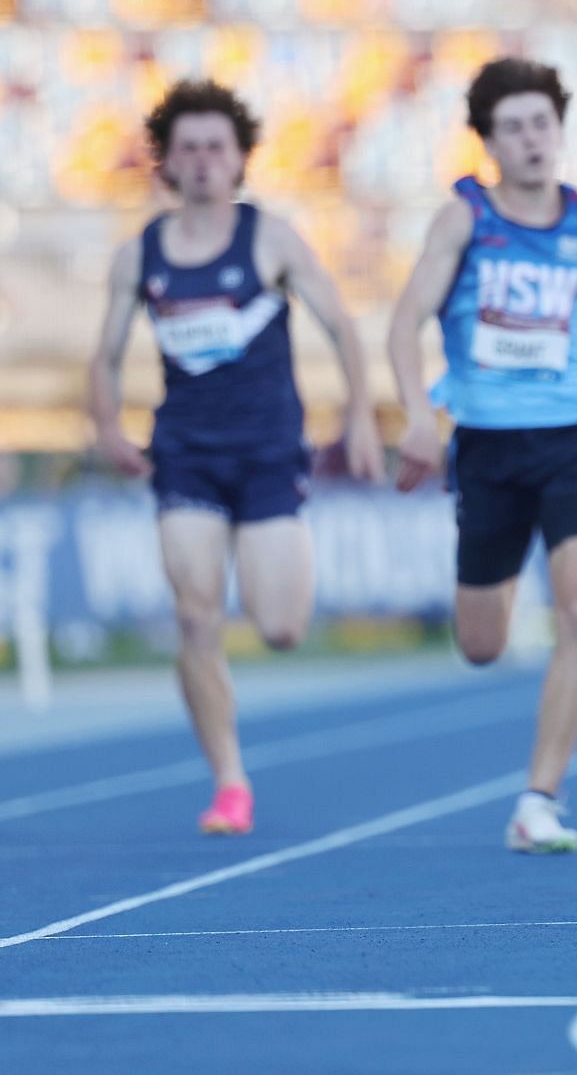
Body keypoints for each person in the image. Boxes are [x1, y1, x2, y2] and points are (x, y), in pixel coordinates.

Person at [89, 79, 382, 835]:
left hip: (266, 452)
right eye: (187, 148)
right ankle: (229, 783)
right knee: (195, 619)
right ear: (166, 163)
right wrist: (109, 427)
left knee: (281, 625)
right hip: (184, 454)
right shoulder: (140, 254)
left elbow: (343, 327)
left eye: (216, 147)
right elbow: (106, 353)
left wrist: (357, 417)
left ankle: (278, 569)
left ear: (240, 158)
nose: (202, 162)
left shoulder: (271, 239)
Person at [388, 58, 577, 853]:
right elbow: (404, 325)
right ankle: (535, 782)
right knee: (482, 644)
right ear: (489, 142)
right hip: (488, 445)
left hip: (573, 435)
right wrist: (419, 417)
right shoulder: (463, 219)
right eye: (514, 128)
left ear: (560, 131)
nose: (532, 139)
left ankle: (539, 799)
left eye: (542, 124)